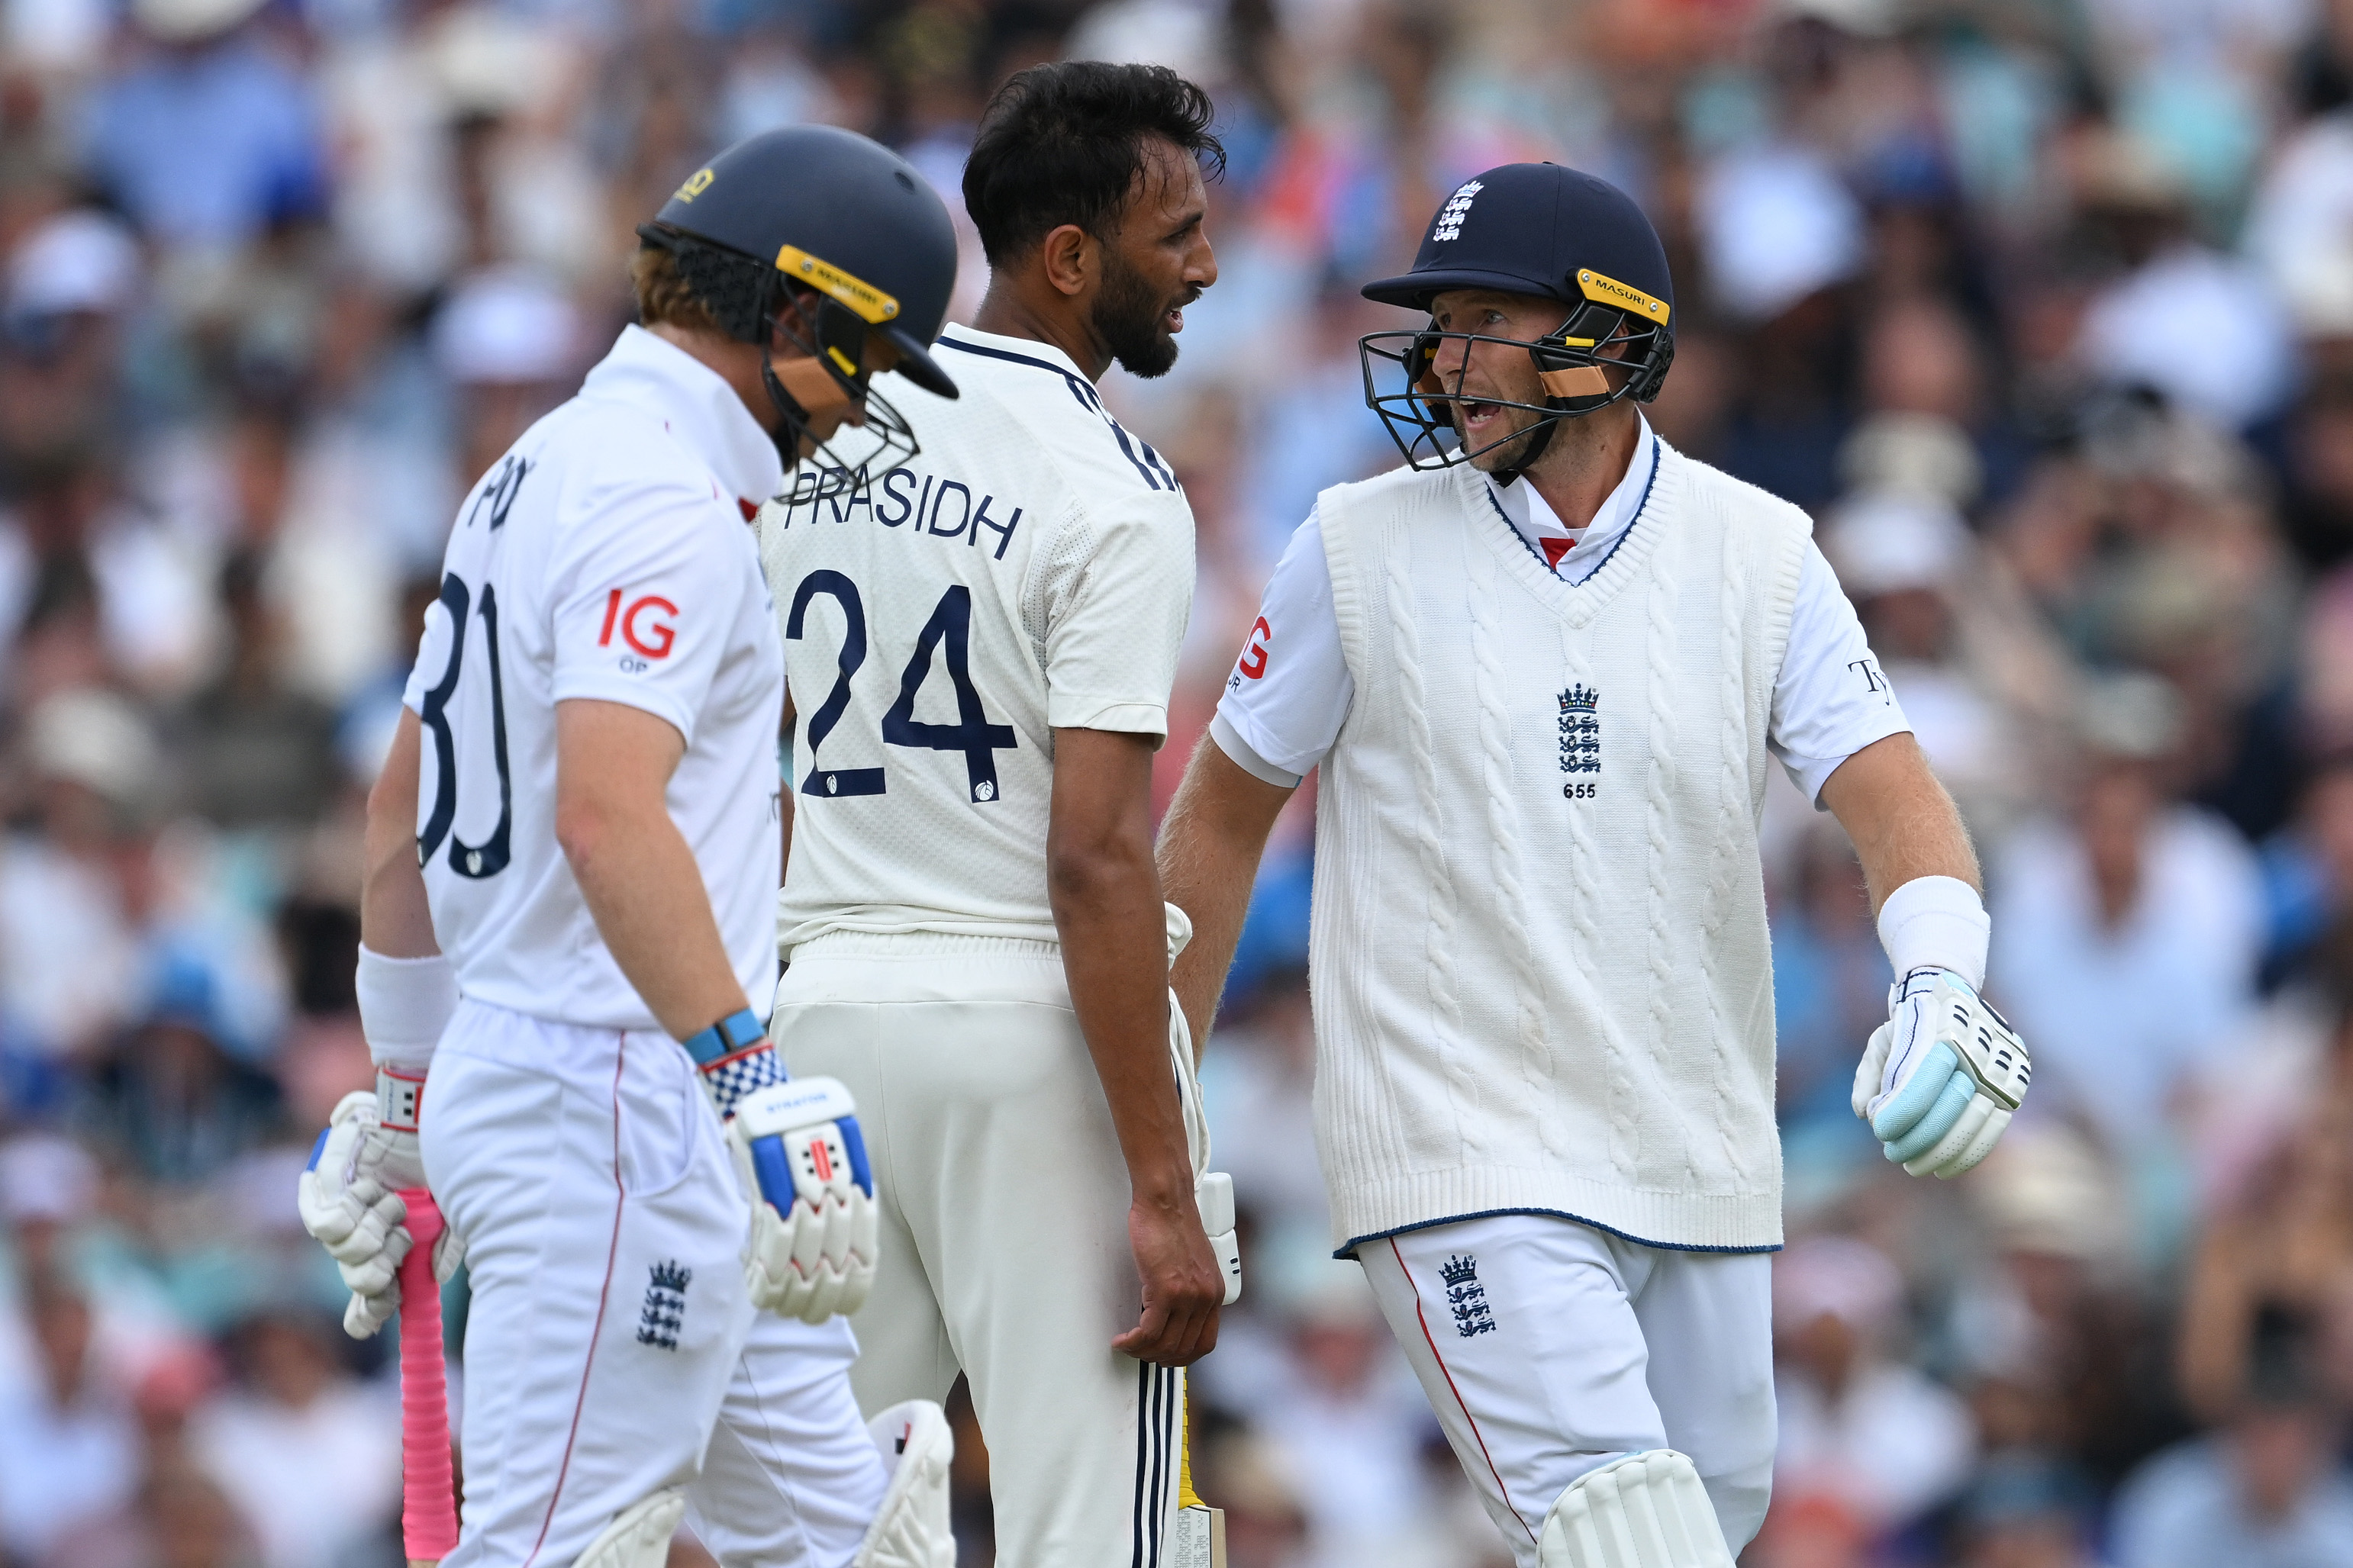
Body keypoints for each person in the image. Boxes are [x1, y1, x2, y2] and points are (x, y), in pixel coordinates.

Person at [1156, 162, 2034, 1568]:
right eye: (1441, 324)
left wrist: (1941, 977)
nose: (1447, 360)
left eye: (1487, 319)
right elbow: (1215, 817)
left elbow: (1892, 793)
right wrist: (1164, 1121)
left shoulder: (1763, 552)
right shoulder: (1352, 545)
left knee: (1702, 1528)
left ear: (1613, 340)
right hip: (1456, 1153)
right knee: (1628, 1534)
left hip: (1698, 1158)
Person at [293, 125, 965, 1567]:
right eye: (859, 360)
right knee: (555, 1552)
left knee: (857, 1546)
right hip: (617, 1100)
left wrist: (412, 1081)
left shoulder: (535, 468)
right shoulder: (660, 497)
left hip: (602, 1089)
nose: (853, 412)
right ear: (788, 314)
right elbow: (607, 811)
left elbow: (400, 806)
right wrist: (745, 1065)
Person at [756, 62, 1231, 1564]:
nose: (1206, 266)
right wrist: (1162, 1186)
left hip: (818, 1016)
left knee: (824, 1527)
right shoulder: (1117, 487)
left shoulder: (824, 432)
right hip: (1022, 1028)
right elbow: (1094, 854)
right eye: (1179, 235)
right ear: (1070, 257)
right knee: (1096, 1529)